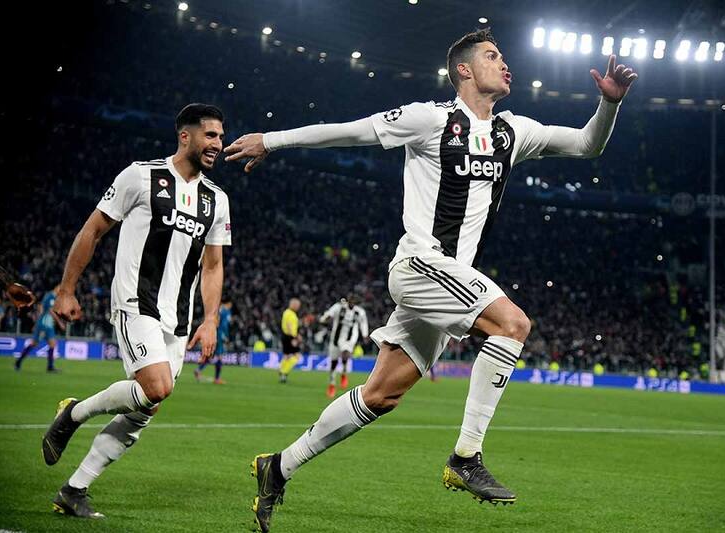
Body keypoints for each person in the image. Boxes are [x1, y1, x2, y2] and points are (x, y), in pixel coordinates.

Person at [225, 29, 636, 532]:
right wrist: (272, 139)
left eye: (503, 56)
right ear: (463, 69)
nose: (505, 64)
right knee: (513, 325)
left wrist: (608, 104)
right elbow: (350, 131)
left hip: (448, 282)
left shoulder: (513, 132)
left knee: (381, 395)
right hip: (420, 265)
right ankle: (467, 456)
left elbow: (587, 145)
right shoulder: (431, 120)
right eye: (492, 56)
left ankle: (278, 467)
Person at [42, 103, 232, 519]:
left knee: (145, 409)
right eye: (211, 135)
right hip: (135, 302)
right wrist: (66, 288)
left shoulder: (217, 200)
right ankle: (74, 413)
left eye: (221, 136)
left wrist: (211, 319)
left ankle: (75, 489)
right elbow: (93, 229)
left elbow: (214, 265)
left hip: (177, 320)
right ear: (186, 136)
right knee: (157, 387)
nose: (218, 143)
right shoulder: (141, 176)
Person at [319, 295, 368, 398]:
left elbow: (363, 323)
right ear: (348, 301)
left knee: (345, 354)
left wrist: (365, 334)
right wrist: (324, 318)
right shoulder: (338, 307)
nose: (352, 303)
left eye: (354, 302)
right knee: (334, 362)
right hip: (336, 338)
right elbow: (329, 313)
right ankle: (332, 384)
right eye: (350, 301)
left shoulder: (359, 312)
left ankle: (344, 373)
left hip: (349, 339)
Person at [16, 286, 59, 372]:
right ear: (57, 287)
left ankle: (50, 367)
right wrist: (59, 322)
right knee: (34, 344)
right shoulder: (50, 296)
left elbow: (44, 308)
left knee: (53, 344)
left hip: (49, 326)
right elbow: (47, 310)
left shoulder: (54, 297)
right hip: (43, 325)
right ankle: (18, 362)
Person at [195, 299, 232, 384]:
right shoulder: (225, 311)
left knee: (211, 355)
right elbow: (223, 325)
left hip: (214, 334)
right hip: (219, 336)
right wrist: (224, 336)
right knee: (219, 357)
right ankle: (217, 378)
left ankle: (199, 369)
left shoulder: (218, 310)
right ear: (229, 303)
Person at [278, 298, 302, 383]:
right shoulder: (290, 314)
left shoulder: (287, 312)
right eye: (298, 305)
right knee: (297, 356)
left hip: (286, 336)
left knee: (287, 356)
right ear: (293, 305)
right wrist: (294, 337)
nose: (298, 307)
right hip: (289, 337)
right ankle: (283, 371)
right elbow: (289, 326)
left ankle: (282, 371)